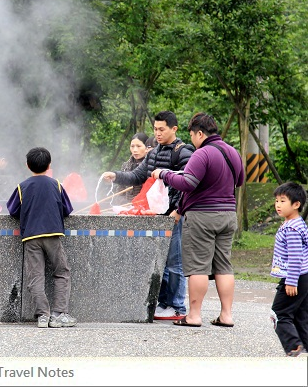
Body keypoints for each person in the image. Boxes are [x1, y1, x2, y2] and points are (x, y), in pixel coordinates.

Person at [151, 112, 244, 327]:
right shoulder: (232, 152)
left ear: (199, 133)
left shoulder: (202, 154)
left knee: (198, 267)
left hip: (203, 217)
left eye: (192, 135)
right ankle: (226, 315)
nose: (191, 139)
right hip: (228, 215)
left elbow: (188, 183)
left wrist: (164, 174)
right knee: (224, 266)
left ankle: (193, 315)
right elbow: (238, 181)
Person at [102, 111, 194, 320]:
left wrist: (178, 211)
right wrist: (115, 176)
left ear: (174, 129)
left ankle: (177, 306)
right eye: (155, 129)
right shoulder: (154, 153)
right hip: (155, 214)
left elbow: (189, 184)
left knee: (174, 262)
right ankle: (163, 304)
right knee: (160, 260)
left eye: (162, 129)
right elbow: (137, 176)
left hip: (173, 214)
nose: (158, 133)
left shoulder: (183, 152)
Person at [6, 147, 77, 328]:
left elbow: (12, 210)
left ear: (28, 166)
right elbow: (67, 210)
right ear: (49, 165)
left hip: (31, 236)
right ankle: (59, 314)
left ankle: (43, 316)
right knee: (62, 272)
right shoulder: (57, 185)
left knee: (35, 276)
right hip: (53, 235)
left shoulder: (22, 187)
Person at [269, 182, 308, 356]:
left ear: (296, 204)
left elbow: (295, 257)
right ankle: (304, 344)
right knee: (301, 314)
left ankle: (293, 345)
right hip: (304, 275)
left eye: (283, 201)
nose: (278, 205)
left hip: (295, 276)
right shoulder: (298, 223)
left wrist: (291, 282)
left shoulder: (291, 228)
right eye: (277, 200)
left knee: (279, 312)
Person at [113, 132, 149, 204]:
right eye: (132, 146)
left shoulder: (150, 165)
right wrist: (124, 203)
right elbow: (119, 191)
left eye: (138, 146)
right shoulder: (125, 166)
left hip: (144, 206)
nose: (135, 150)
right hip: (127, 207)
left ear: (147, 148)